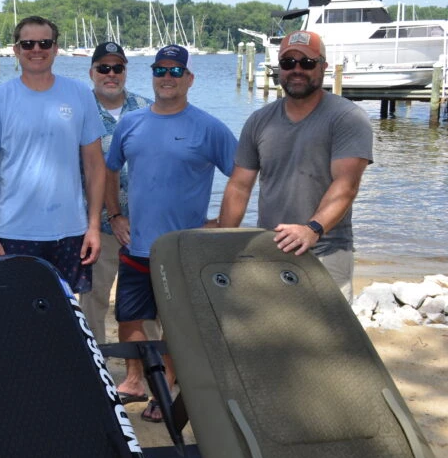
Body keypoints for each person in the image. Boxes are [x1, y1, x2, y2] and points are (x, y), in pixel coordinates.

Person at [105, 44, 236, 422]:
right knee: (129, 318)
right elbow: (111, 169)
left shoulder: (208, 127)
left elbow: (242, 174)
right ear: (152, 76)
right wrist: (115, 214)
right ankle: (133, 381)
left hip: (181, 250)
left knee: (175, 327)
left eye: (176, 71)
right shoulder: (130, 123)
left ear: (189, 79)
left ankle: (165, 390)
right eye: (160, 70)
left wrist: (220, 224)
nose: (167, 78)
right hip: (135, 244)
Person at [218, 30, 372, 301]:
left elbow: (346, 185)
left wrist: (312, 229)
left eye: (307, 63)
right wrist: (220, 242)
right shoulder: (259, 120)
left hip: (326, 251)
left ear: (323, 67)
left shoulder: (348, 117)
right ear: (279, 69)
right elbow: (240, 187)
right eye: (288, 63)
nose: (297, 70)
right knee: (272, 336)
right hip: (270, 252)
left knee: (328, 341)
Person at [0, 15, 106, 295]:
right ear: (16, 50)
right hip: (14, 232)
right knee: (18, 319)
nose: (36, 49)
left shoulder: (79, 93)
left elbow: (94, 166)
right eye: (28, 43)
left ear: (56, 48)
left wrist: (93, 227)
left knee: (66, 317)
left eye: (44, 43)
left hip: (71, 231)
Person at [79, 41, 151, 346]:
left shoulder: (149, 108)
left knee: (148, 305)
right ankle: (95, 365)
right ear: (92, 72)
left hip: (146, 227)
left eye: (117, 68)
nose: (111, 74)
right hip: (96, 227)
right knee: (92, 300)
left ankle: (152, 370)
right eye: (104, 68)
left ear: (125, 71)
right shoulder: (79, 112)